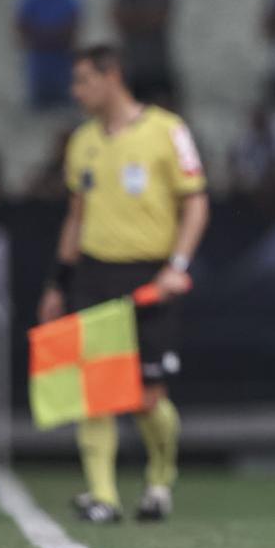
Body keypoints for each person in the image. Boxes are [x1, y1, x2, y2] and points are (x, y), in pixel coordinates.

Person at [37, 45, 209, 523]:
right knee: (95, 393)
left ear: (111, 76)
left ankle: (159, 480)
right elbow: (76, 217)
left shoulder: (167, 130)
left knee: (147, 397)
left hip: (150, 277)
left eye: (83, 80)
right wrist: (58, 282)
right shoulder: (82, 141)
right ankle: (104, 496)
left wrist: (177, 265)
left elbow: (196, 203)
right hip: (94, 275)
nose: (76, 91)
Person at [112, 0, 177, 108]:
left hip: (157, 62)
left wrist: (137, 18)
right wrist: (145, 18)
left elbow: (159, 18)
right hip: (134, 63)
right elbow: (119, 19)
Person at [16, 0, 82, 110]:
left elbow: (74, 29)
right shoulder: (31, 0)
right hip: (40, 65)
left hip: (62, 64)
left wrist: (48, 35)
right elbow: (21, 28)